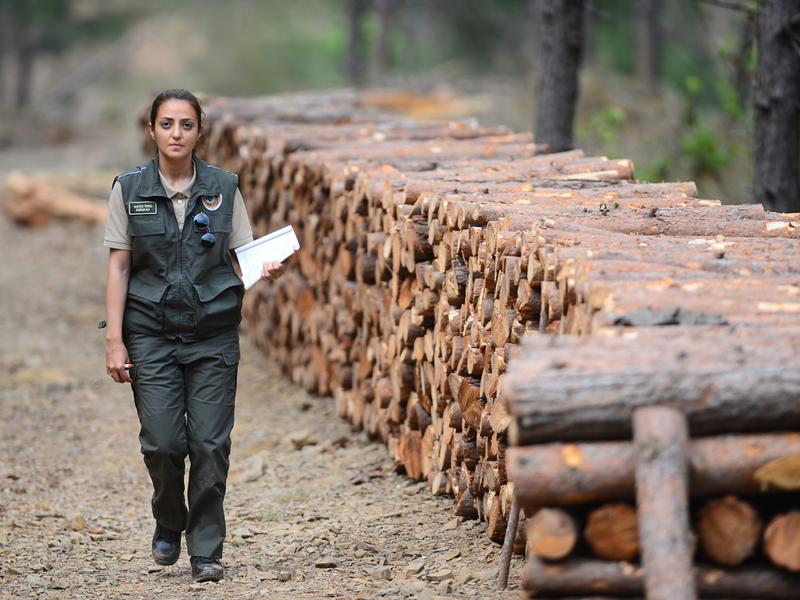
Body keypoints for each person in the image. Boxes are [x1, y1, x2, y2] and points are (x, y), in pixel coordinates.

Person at [103, 88, 285, 583]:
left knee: (210, 443)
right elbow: (119, 267)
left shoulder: (225, 188)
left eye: (186, 124)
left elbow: (243, 254)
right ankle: (168, 519)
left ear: (199, 131)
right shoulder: (129, 189)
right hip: (150, 334)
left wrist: (265, 270)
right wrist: (114, 340)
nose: (176, 133)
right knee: (162, 443)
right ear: (152, 130)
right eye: (166, 124)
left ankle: (206, 548)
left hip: (212, 335)